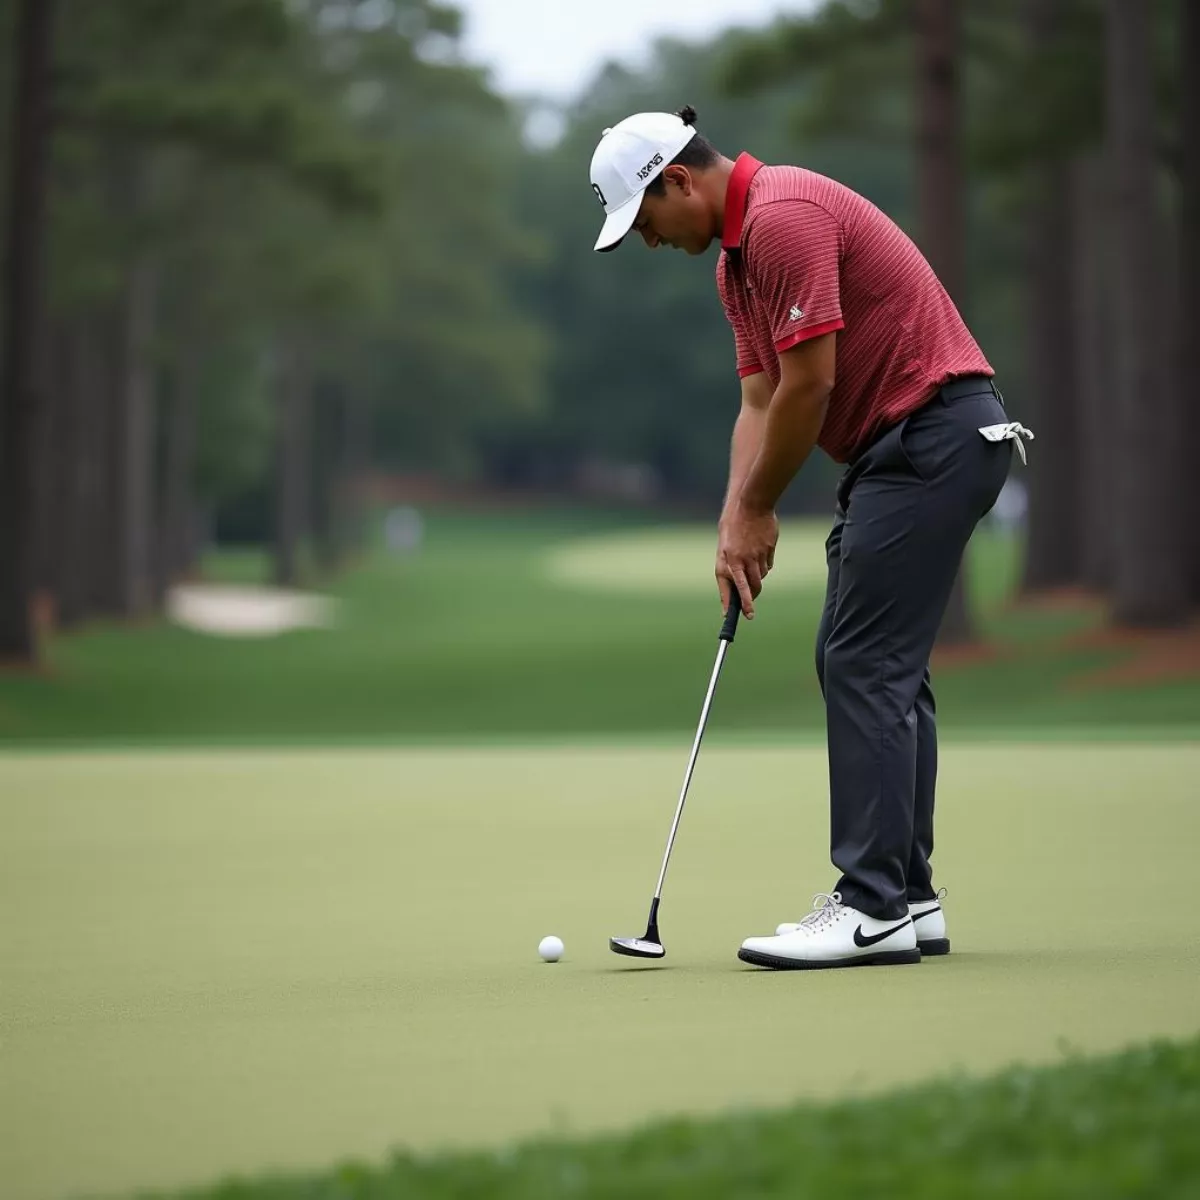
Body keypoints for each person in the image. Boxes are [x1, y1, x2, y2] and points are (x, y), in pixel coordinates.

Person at [589, 106, 1031, 971]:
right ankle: (909, 895)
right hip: (907, 451)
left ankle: (871, 907)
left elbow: (812, 385)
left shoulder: (785, 218)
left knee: (865, 664)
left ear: (679, 180)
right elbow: (759, 400)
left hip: (932, 438)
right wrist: (733, 518)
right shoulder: (736, 266)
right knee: (864, 662)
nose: (647, 240)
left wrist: (761, 510)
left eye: (644, 221)